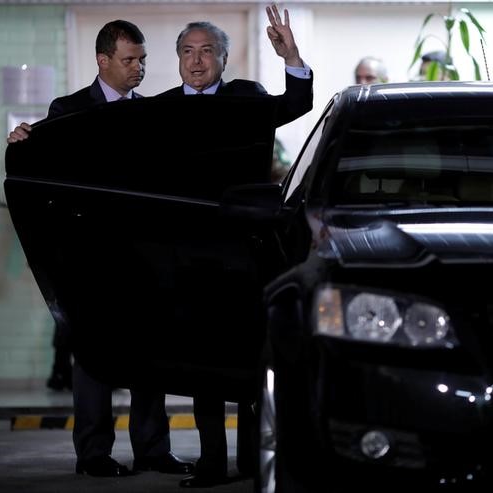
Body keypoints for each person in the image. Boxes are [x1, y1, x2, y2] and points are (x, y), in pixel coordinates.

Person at [6, 20, 194, 478]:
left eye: (143, 60)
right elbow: (43, 173)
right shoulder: (68, 111)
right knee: (92, 356)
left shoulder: (153, 115)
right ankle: (93, 454)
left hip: (144, 255)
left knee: (149, 353)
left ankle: (152, 449)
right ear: (102, 60)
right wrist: (21, 144)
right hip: (89, 256)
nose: (139, 69)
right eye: (129, 60)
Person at [157, 5, 313, 488]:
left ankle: (251, 458)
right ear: (178, 59)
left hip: (247, 248)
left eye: (207, 52)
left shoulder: (247, 98)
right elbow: (100, 135)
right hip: (189, 254)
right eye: (187, 52)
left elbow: (297, 104)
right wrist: (32, 135)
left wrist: (292, 57)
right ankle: (209, 462)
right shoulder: (159, 109)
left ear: (223, 59)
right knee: (203, 362)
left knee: (250, 355)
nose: (197, 61)